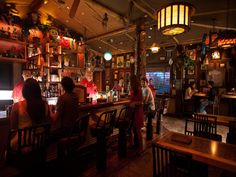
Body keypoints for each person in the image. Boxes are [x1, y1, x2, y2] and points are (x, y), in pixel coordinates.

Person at [10, 78, 50, 149]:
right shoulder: (45, 105)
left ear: (24, 91)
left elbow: (13, 129)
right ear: (38, 91)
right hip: (40, 145)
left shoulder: (17, 106)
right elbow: (47, 123)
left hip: (21, 146)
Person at [129, 75, 144, 149]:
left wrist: (134, 103)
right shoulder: (133, 89)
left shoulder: (139, 89)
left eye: (131, 81)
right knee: (132, 129)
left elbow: (141, 102)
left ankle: (141, 148)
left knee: (138, 130)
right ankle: (132, 145)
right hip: (133, 111)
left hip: (138, 112)